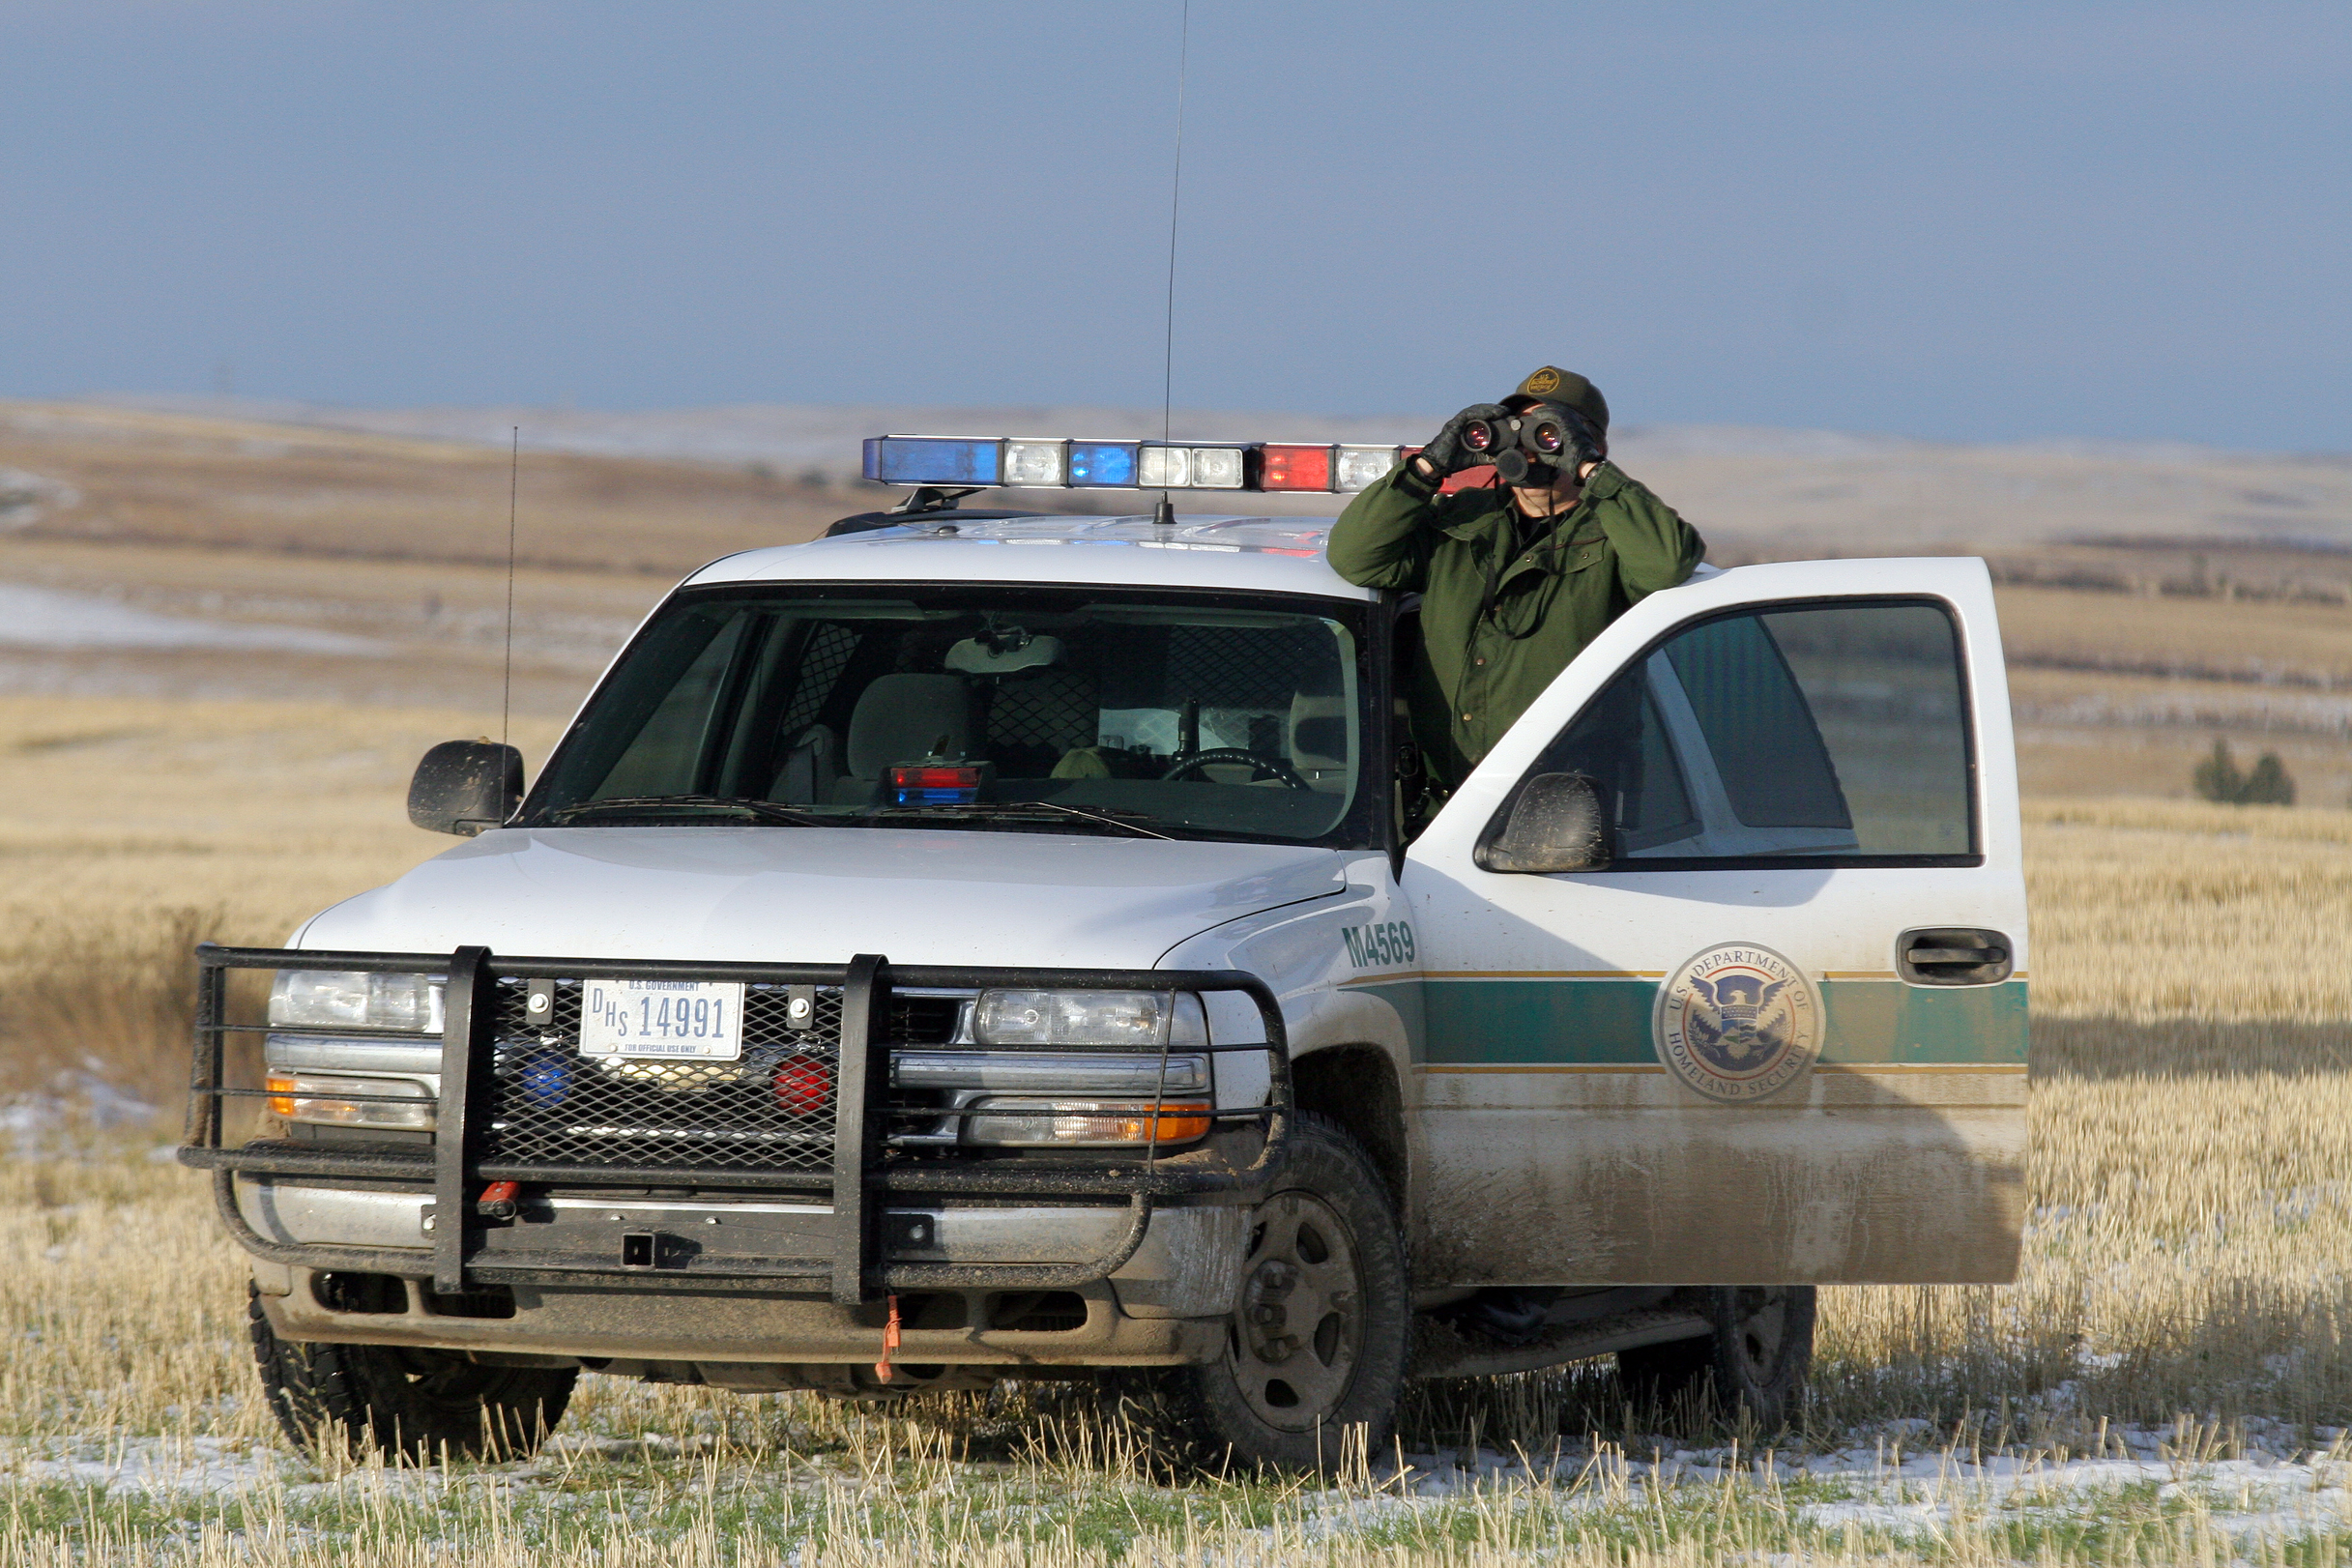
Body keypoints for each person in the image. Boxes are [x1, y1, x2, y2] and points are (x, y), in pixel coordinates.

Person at [1326, 365, 1705, 802]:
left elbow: (1668, 564)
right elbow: (1356, 557)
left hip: (1558, 811)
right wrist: (1428, 468)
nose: (1530, 447)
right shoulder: (1462, 522)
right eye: (1518, 430)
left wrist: (1592, 470)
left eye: (1549, 433)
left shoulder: (1618, 538)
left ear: (1593, 445)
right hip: (1440, 805)